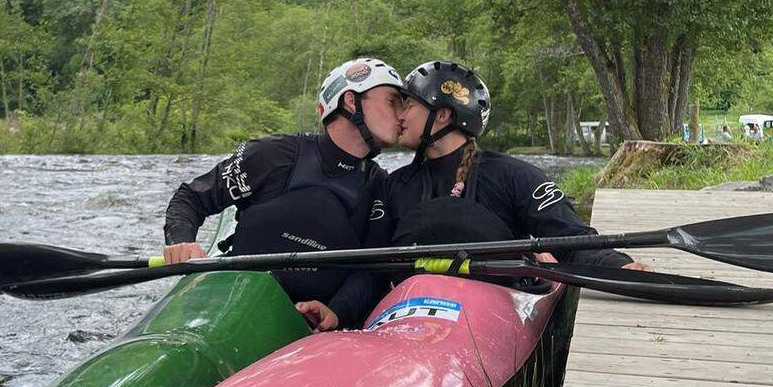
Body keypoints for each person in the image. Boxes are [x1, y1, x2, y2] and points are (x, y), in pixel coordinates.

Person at [162, 58, 406, 331]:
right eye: (393, 101)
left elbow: (372, 272)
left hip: (305, 325)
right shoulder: (273, 155)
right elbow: (191, 198)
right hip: (234, 304)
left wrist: (336, 312)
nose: (402, 114)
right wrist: (182, 241)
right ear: (351, 101)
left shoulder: (381, 187)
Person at [377, 60, 649, 276]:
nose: (400, 116)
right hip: (409, 310)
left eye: (409, 105)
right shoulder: (395, 185)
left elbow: (569, 238)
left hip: (493, 307)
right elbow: (371, 257)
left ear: (443, 115)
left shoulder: (512, 176)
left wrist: (617, 264)